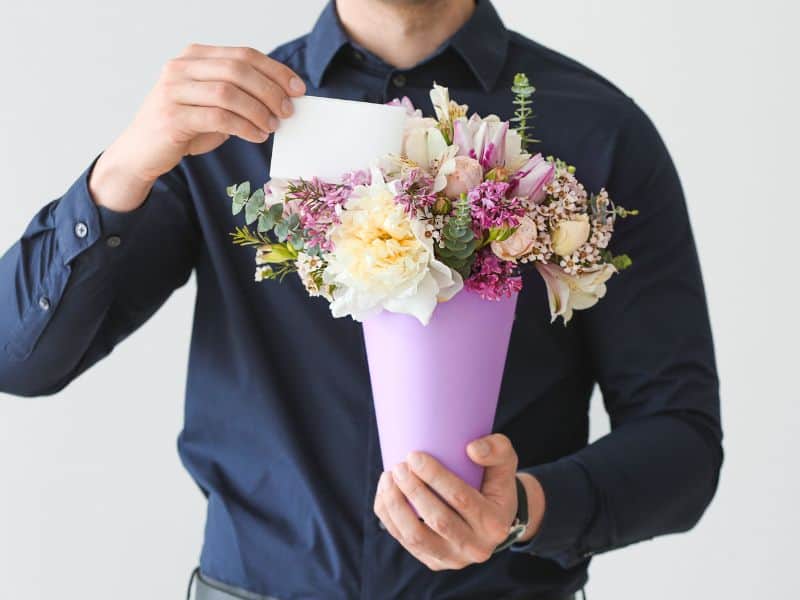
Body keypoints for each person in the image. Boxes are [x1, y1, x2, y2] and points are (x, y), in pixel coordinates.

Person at [0, 1, 722, 599]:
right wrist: (122, 167)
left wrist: (525, 509)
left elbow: (681, 444)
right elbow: (18, 358)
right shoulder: (218, 127)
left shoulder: (599, 129)